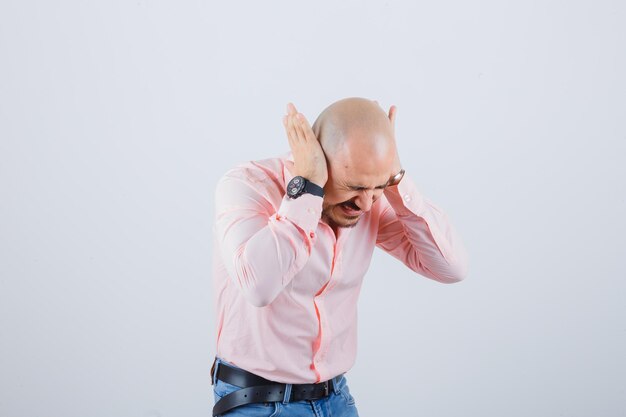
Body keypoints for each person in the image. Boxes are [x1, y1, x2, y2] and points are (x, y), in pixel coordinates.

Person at [210, 97, 469, 416]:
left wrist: (396, 179)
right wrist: (307, 188)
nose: (365, 204)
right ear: (318, 158)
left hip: (336, 398)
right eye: (354, 187)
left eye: (376, 187)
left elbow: (451, 267)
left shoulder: (368, 199)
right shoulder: (247, 185)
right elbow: (258, 287)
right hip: (257, 400)